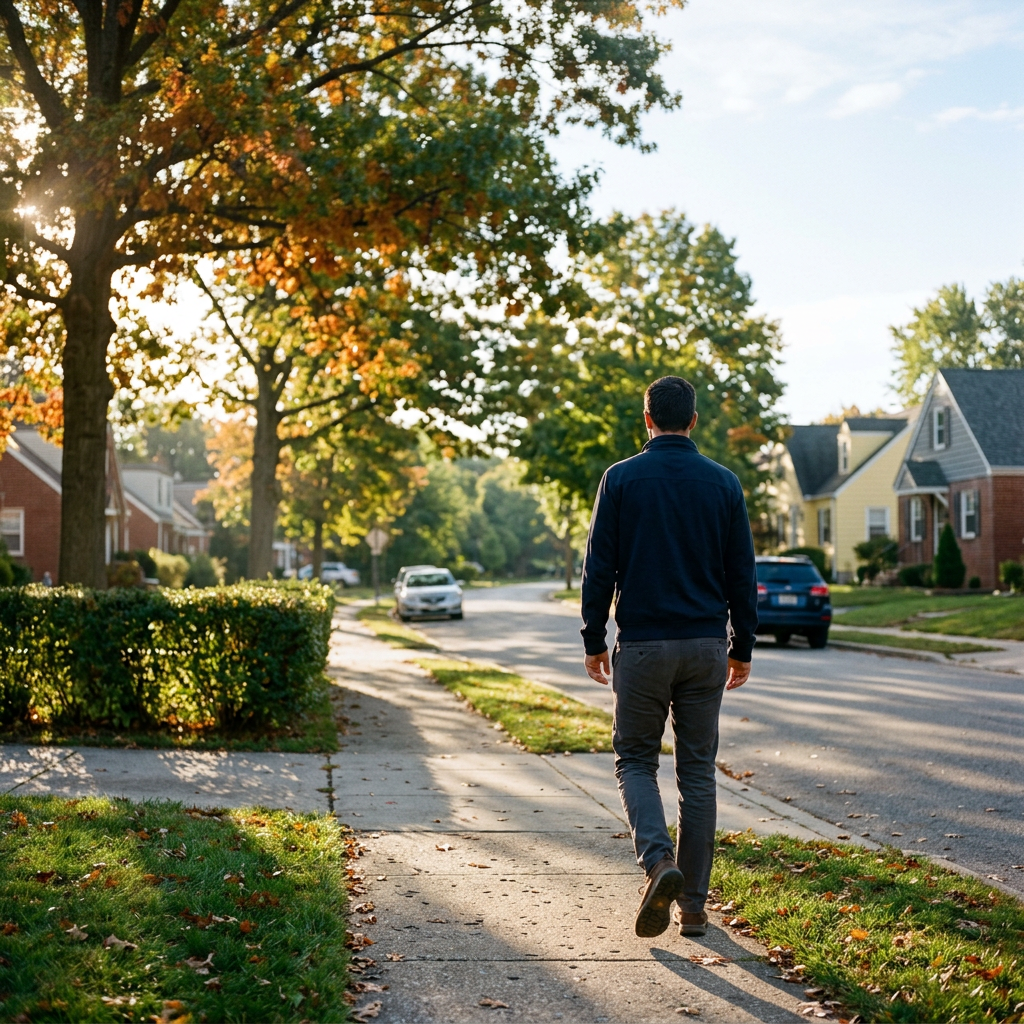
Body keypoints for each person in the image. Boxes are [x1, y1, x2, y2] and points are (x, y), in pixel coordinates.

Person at [580, 375, 757, 939]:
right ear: (695, 421)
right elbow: (742, 575)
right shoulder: (724, 483)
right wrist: (742, 647)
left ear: (647, 418)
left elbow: (598, 566)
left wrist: (593, 638)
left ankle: (660, 864)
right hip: (707, 647)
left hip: (644, 646)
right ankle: (695, 910)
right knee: (697, 772)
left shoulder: (621, 479)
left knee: (634, 759)